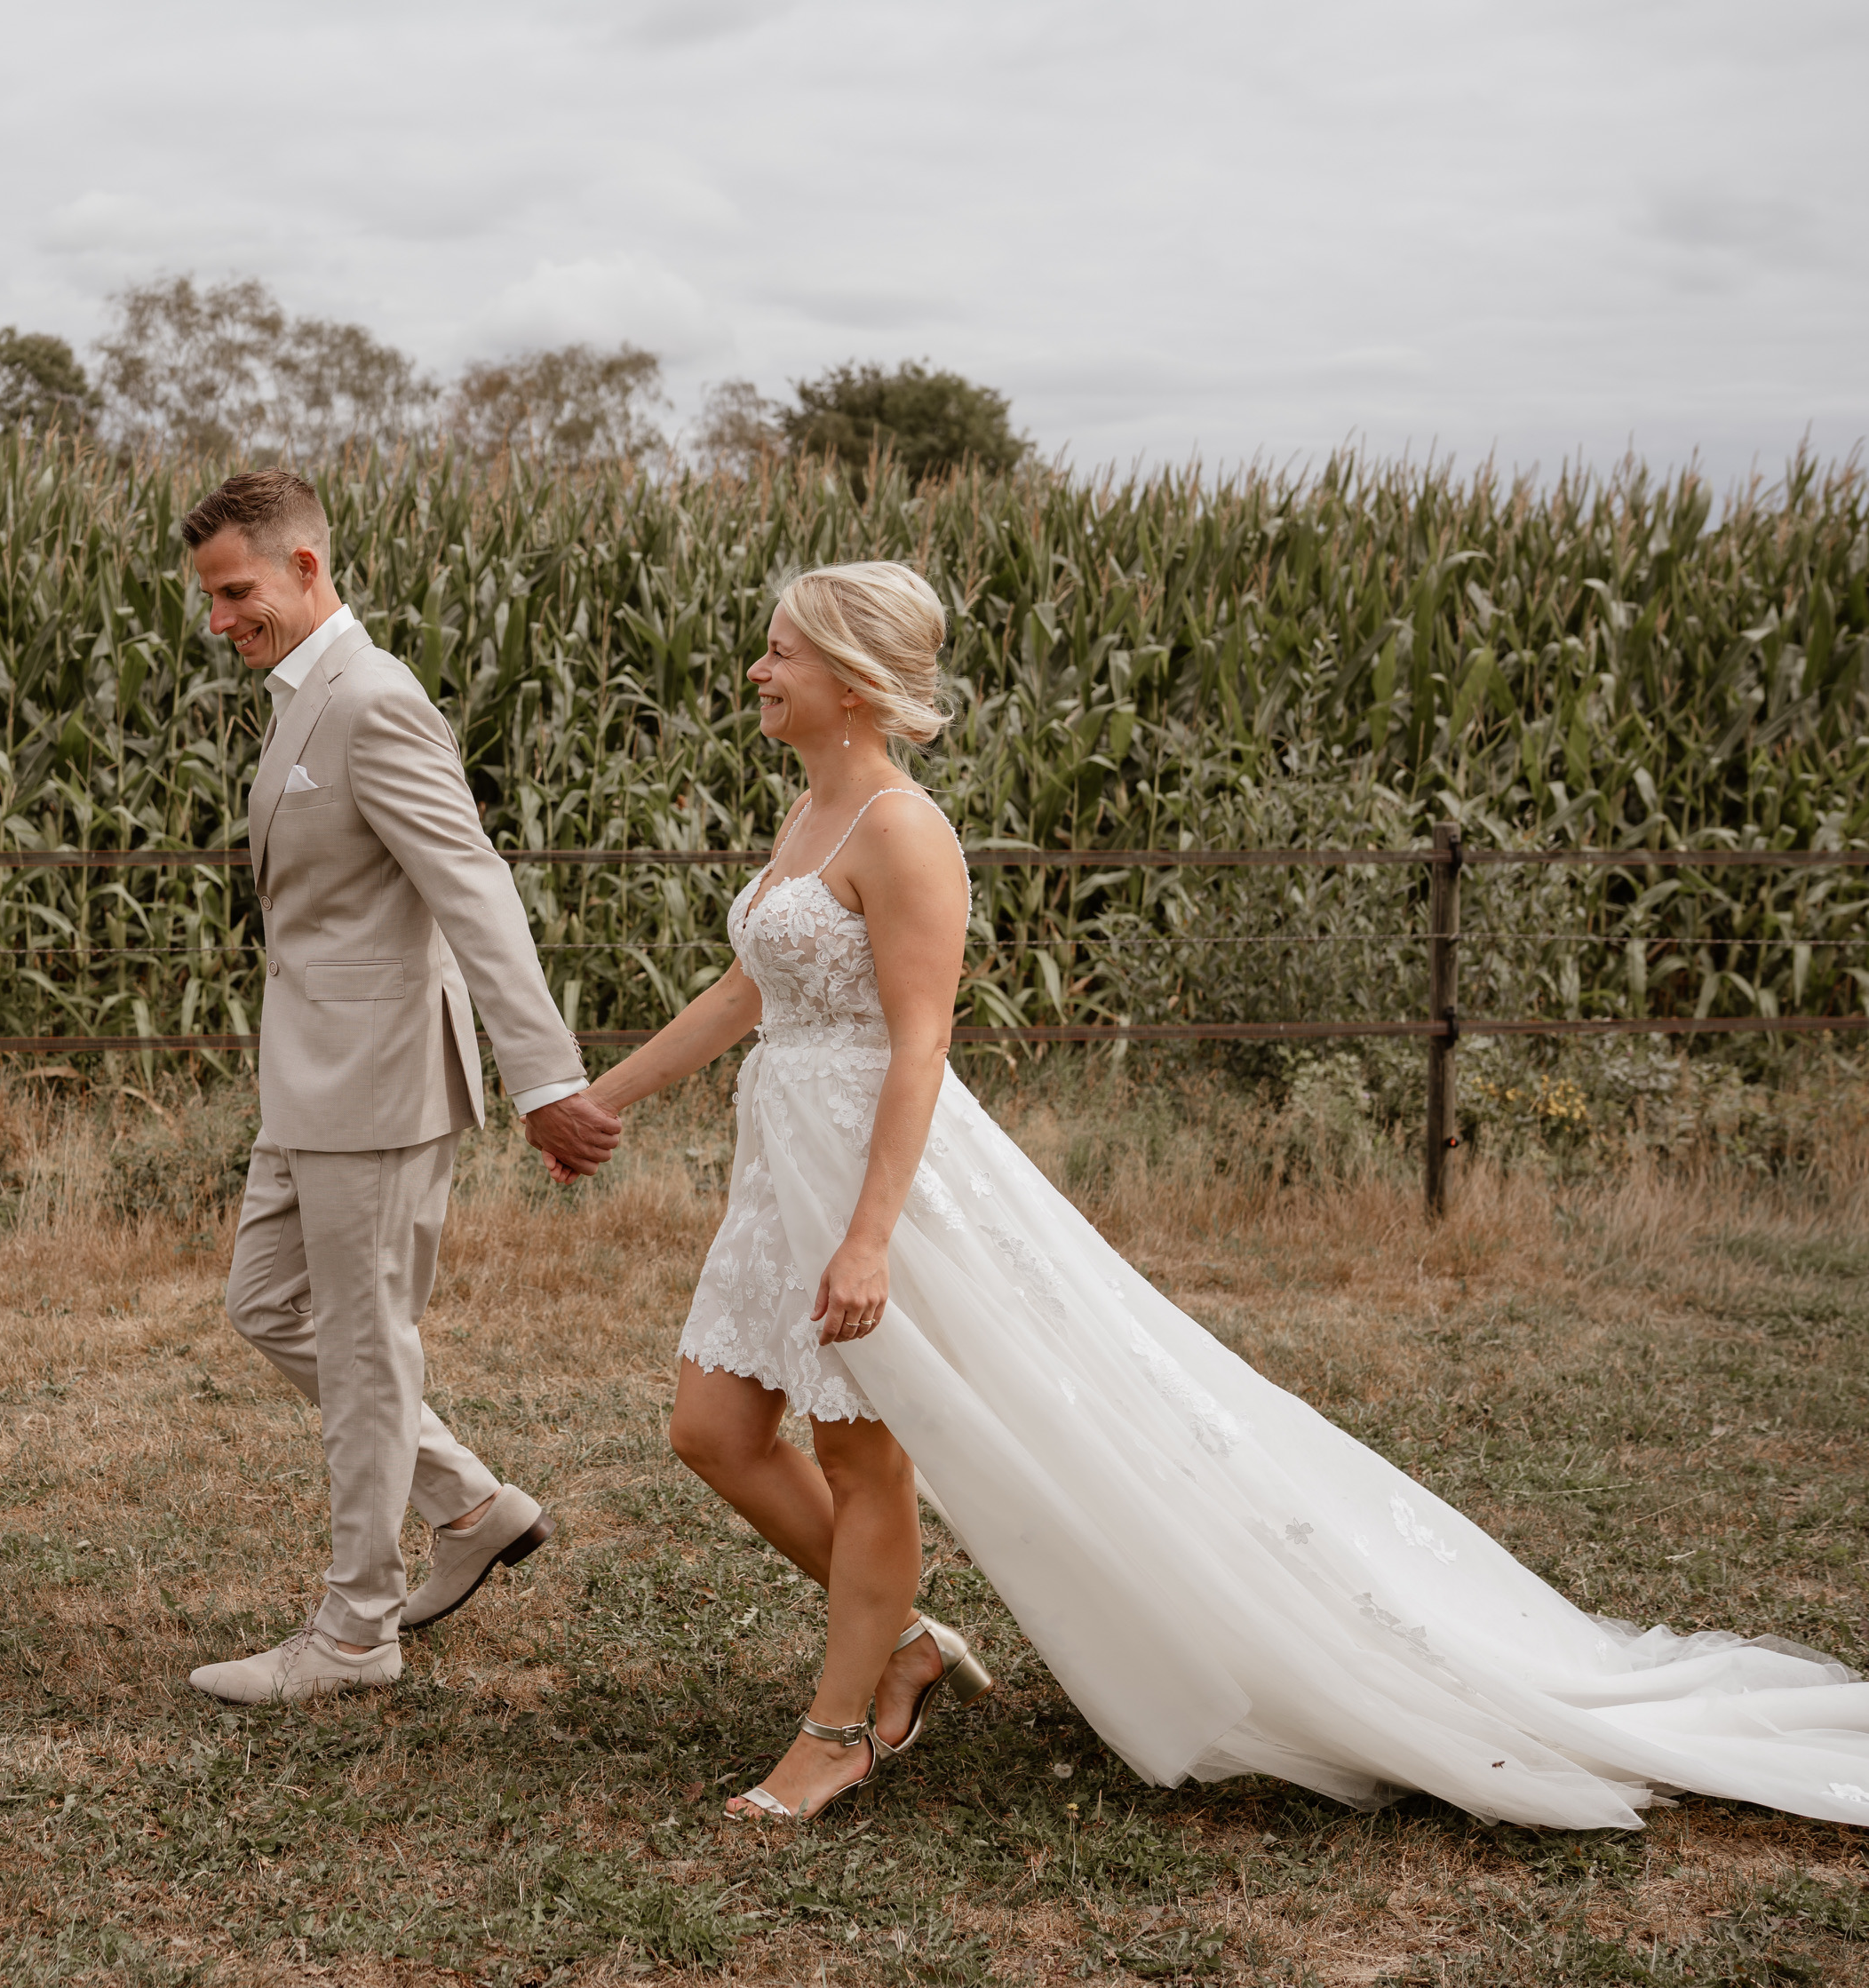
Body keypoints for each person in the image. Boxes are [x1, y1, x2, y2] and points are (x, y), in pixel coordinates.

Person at [560, 559, 1869, 1829]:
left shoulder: (903, 830)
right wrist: (606, 1096)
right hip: (779, 1158)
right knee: (711, 1426)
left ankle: (838, 1733)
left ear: (849, 678)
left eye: (781, 648)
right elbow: (751, 989)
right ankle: (899, 1640)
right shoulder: (808, 810)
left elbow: (919, 1046)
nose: (756, 668)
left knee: (862, 1452)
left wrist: (867, 1237)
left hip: (874, 1175)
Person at [180, 470, 624, 1706]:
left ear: (308, 565)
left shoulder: (370, 700)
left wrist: (545, 1078)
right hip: (308, 1079)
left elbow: (471, 887)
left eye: (237, 592)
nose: (221, 619)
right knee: (266, 1303)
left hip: (376, 1083)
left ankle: (354, 1631)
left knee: (369, 1356)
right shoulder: (295, 696)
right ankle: (469, 1503)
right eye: (209, 598)